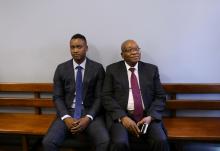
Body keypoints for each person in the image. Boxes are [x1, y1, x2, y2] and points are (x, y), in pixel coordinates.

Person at [43, 33, 109, 151]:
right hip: (67, 112)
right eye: (72, 47)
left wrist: (88, 117)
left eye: (79, 47)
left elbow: (100, 97)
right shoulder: (61, 68)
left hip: (90, 113)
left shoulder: (97, 68)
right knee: (48, 142)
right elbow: (57, 97)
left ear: (86, 48)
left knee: (104, 141)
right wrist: (66, 117)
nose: (75, 50)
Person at [102, 39, 169, 151]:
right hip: (122, 116)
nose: (134, 52)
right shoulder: (112, 70)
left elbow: (160, 96)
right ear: (122, 55)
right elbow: (106, 97)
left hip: (147, 116)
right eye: (129, 50)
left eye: (136, 49)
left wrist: (150, 117)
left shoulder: (151, 70)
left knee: (160, 140)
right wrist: (123, 117)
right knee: (119, 142)